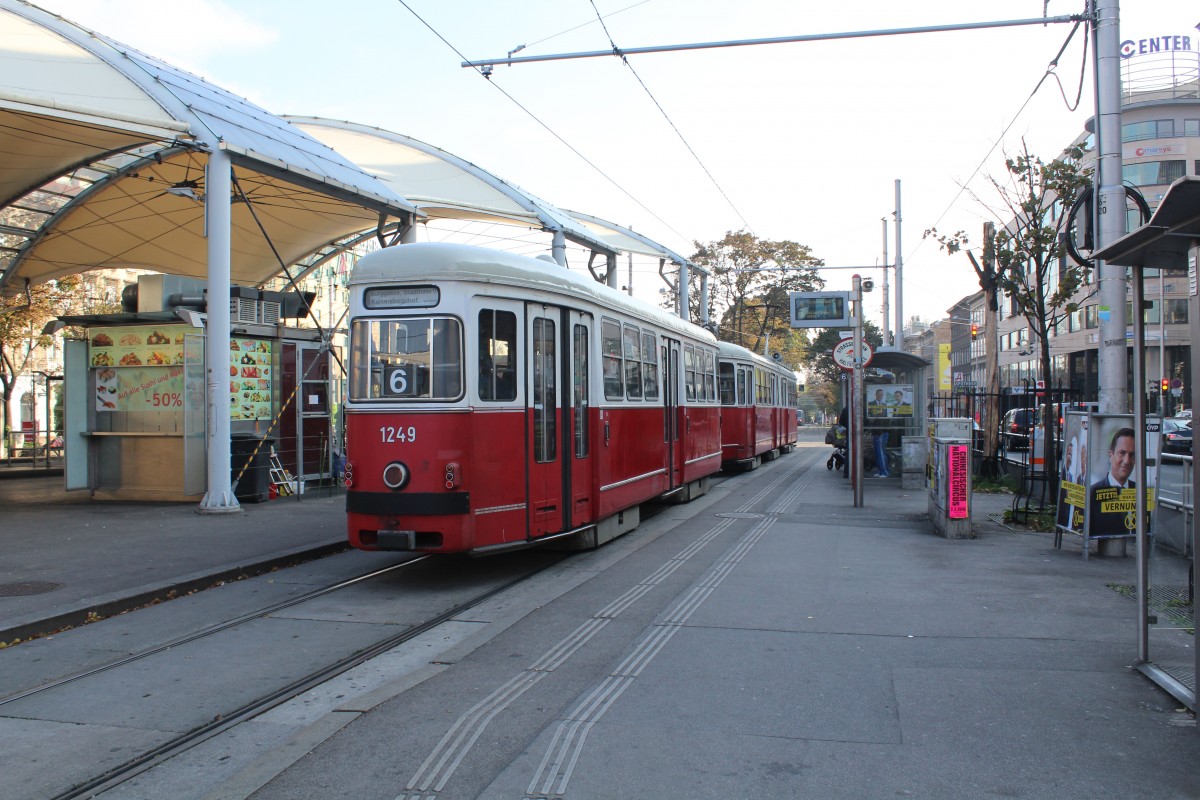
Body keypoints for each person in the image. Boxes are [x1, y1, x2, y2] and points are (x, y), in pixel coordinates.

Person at [1087, 427, 1136, 537]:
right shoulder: (1093, 493)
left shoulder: (1141, 492)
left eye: (1132, 455)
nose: (1127, 461)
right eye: (1122, 453)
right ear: (1110, 455)